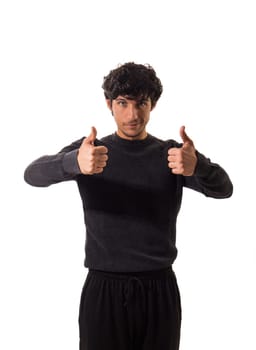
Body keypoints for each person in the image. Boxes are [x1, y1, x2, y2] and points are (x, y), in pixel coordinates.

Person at [24, 62, 233, 350]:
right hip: (104, 289)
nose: (132, 115)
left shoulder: (171, 154)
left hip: (159, 289)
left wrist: (197, 166)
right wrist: (73, 162)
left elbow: (224, 189)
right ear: (109, 104)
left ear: (153, 104)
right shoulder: (91, 151)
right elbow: (32, 175)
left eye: (141, 103)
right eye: (123, 103)